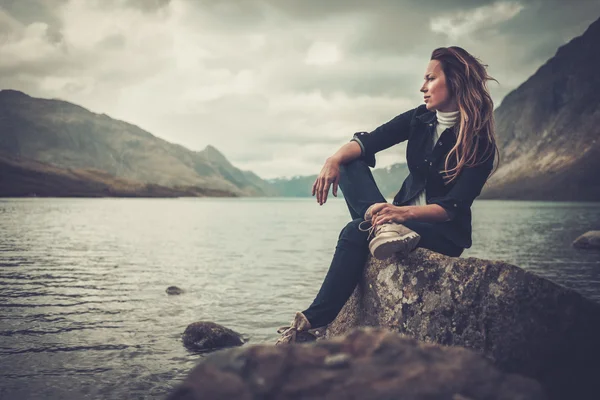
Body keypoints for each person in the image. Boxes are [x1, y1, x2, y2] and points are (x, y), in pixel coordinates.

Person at [275, 46, 499, 345]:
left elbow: (451, 207)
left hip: (441, 233)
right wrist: (332, 160)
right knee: (351, 160)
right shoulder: (420, 118)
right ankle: (382, 229)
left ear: (455, 82)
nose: (423, 87)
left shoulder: (478, 142)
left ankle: (311, 323)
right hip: (397, 223)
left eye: (430, 79)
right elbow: (371, 140)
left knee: (355, 232)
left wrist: (401, 213)